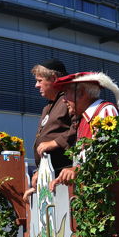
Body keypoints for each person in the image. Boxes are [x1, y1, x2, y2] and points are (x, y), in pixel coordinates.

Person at [49, 71, 119, 190]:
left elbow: (108, 155)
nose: (63, 100)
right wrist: (63, 177)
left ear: (81, 93)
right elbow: (84, 162)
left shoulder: (105, 110)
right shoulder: (83, 119)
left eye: (66, 93)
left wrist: (76, 170)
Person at [23, 59, 75, 200]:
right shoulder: (48, 107)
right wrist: (39, 172)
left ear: (53, 79)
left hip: (65, 176)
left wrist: (56, 142)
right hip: (50, 175)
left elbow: (79, 127)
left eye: (40, 81)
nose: (36, 85)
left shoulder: (68, 100)